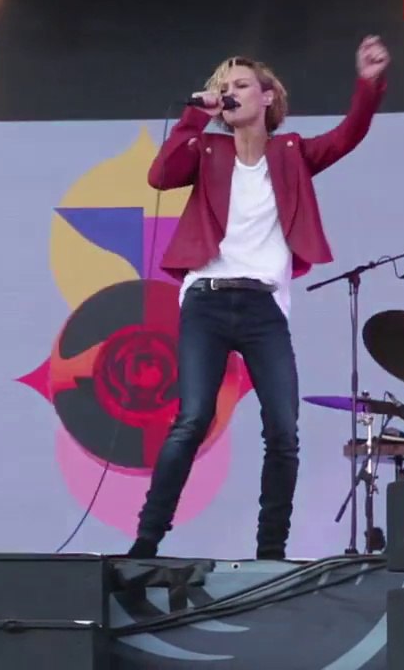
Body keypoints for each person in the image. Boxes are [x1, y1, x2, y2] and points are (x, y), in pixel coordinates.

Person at [128, 36, 390, 561]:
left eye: (241, 85)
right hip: (206, 298)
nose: (230, 93)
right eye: (223, 87)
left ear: (268, 97)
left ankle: (271, 550)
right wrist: (194, 116)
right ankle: (147, 539)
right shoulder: (207, 149)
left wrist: (368, 83)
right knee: (193, 417)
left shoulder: (291, 153)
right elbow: (160, 176)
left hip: (263, 308)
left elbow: (348, 135)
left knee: (283, 431)